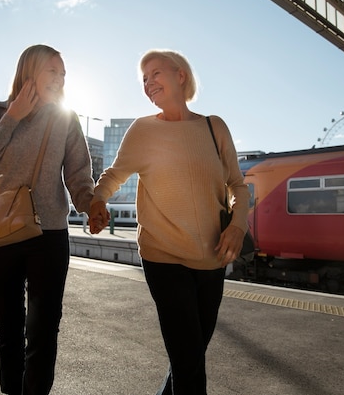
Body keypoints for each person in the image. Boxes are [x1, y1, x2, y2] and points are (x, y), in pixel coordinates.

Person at [89, 49, 249, 395]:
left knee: (188, 358)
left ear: (180, 75)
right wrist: (98, 199)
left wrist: (237, 225)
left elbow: (236, 184)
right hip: (162, 255)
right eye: (143, 78)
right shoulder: (143, 130)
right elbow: (114, 174)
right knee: (190, 363)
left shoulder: (213, 126)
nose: (148, 83)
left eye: (155, 73)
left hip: (211, 256)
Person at [0, 44, 94, 395]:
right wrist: (14, 116)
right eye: (53, 70)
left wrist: (89, 203)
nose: (60, 77)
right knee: (8, 327)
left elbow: (79, 172)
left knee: (44, 327)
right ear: (29, 70)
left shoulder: (66, 118)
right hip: (1, 232)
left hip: (49, 234)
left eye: (63, 72)